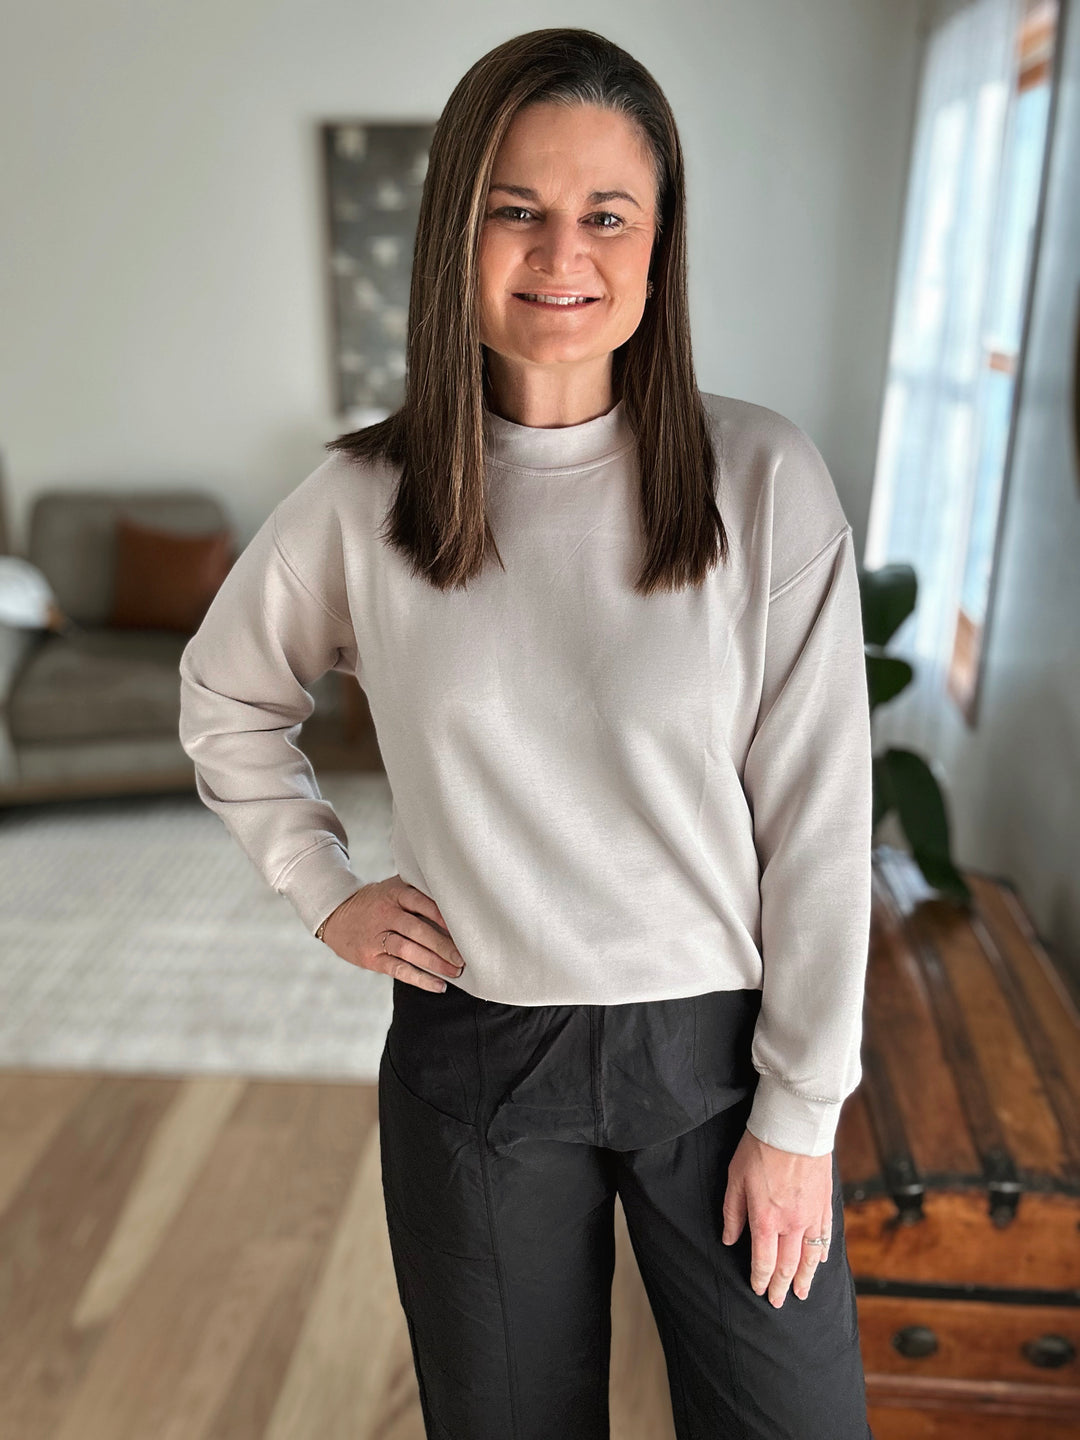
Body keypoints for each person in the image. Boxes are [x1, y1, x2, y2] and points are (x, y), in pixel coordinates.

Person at [178, 26, 875, 1440]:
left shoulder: (766, 478)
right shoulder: (358, 502)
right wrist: (322, 890)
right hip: (473, 1061)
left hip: (717, 1062)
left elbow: (819, 824)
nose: (564, 252)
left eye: (607, 213)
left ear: (660, 242)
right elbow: (226, 702)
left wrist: (800, 1114)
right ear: (460, 232)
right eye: (519, 209)